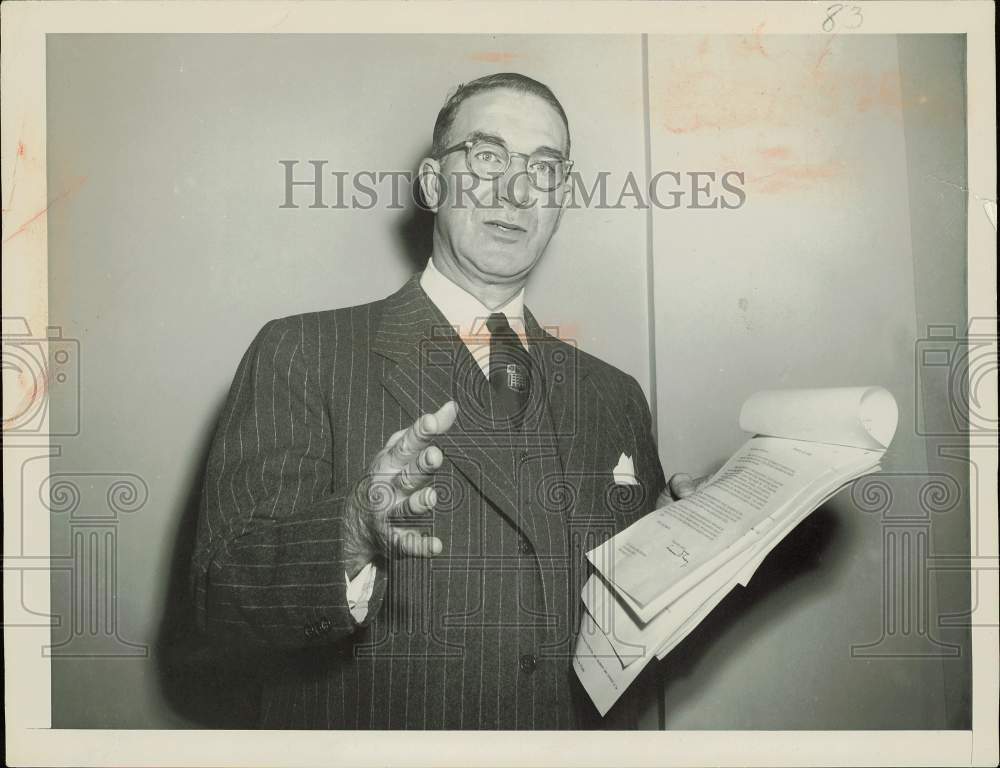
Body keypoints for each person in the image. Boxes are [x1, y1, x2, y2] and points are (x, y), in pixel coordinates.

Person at [190, 72, 693, 729]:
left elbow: (620, 636)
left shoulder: (615, 396)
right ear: (433, 184)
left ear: (561, 196)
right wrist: (350, 532)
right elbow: (220, 599)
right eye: (487, 157)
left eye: (543, 167)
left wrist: (679, 553)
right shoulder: (304, 353)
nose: (516, 189)